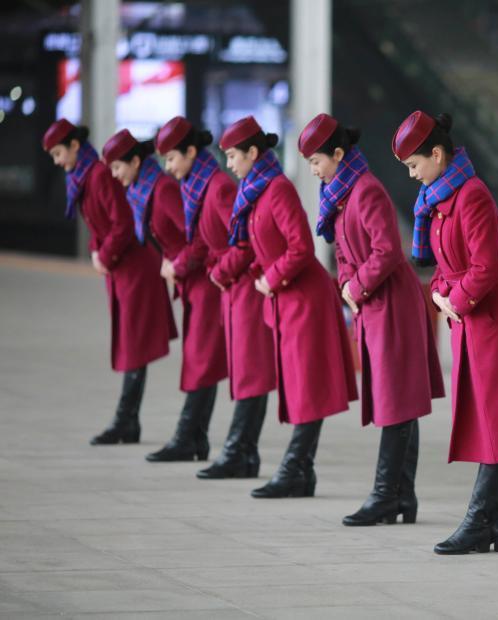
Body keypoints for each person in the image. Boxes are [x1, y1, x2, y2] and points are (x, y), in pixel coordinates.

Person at [393, 110, 498, 554]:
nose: (412, 176)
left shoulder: (472, 195)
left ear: (438, 154)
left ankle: (481, 521)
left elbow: (486, 266)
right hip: (470, 325)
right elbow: (449, 266)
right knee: (488, 424)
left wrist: (452, 298)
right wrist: (445, 294)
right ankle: (491, 524)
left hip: (495, 325)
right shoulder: (440, 199)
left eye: (414, 165)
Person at [299, 113, 445, 525]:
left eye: (316, 162)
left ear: (338, 154)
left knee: (398, 402)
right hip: (374, 306)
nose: (314, 171)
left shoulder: (366, 192)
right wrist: (348, 282)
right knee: (397, 401)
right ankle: (400, 497)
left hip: (392, 306)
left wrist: (355, 286)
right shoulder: (343, 194)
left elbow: (387, 251)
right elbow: (346, 252)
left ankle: (387, 496)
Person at [220, 116, 358, 498]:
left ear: (252, 153)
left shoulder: (276, 189)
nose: (230, 164)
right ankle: (298, 469)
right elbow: (261, 246)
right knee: (298, 386)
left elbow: (301, 247)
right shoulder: (254, 189)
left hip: (305, 300)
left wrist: (271, 277)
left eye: (233, 156)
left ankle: (297, 468)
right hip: (286, 301)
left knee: (308, 387)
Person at [43, 119, 176, 446]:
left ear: (74, 146)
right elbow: (97, 225)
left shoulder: (100, 175)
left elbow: (124, 224)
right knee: (131, 344)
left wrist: (104, 254)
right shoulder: (84, 176)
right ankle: (127, 422)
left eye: (59, 153)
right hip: (123, 270)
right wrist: (96, 251)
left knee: (134, 345)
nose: (58, 161)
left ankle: (125, 422)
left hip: (136, 269)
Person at [156, 116, 276, 479]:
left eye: (172, 158)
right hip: (227, 286)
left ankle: (237, 450)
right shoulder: (199, 185)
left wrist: (215, 270)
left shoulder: (218, 187)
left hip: (238, 286)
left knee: (246, 369)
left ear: (191, 151)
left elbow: (245, 242)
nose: (168, 168)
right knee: (233, 367)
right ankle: (231, 448)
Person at [102, 129, 227, 463]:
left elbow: (201, 237)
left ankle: (188, 438)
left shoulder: (164, 190)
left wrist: (178, 264)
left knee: (201, 360)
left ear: (135, 161)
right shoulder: (145, 190)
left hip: (204, 282)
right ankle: (194, 439)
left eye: (118, 167)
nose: (115, 175)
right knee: (200, 359)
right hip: (192, 283)